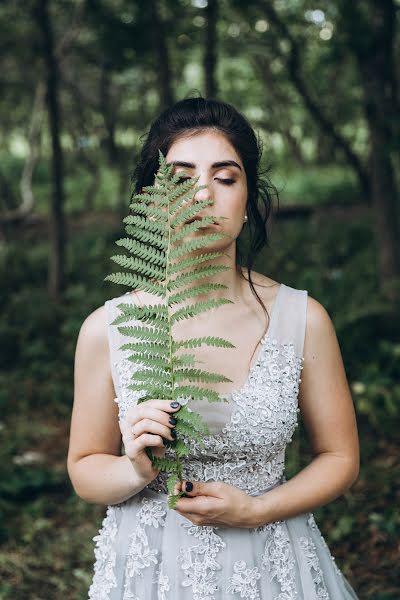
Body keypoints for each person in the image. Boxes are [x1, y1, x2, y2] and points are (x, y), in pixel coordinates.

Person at [67, 97, 360, 599]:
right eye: (181, 178)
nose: (203, 194)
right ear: (151, 200)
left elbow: (339, 457)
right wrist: (135, 467)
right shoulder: (109, 328)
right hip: (150, 571)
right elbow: (84, 468)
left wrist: (257, 510)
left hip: (274, 564)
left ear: (247, 201)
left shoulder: (303, 319)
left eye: (226, 178)